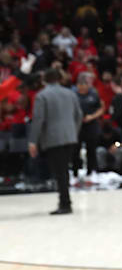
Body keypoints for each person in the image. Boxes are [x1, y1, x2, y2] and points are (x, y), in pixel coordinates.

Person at [27, 68, 82, 215]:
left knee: (60, 172)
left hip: (53, 138)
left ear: (45, 79)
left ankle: (65, 203)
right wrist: (73, 132)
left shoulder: (42, 96)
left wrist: (33, 141)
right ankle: (65, 201)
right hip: (70, 137)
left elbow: (38, 120)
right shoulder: (71, 93)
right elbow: (79, 115)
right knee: (64, 170)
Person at [73, 71, 104, 175]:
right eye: (80, 85)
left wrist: (92, 117)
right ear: (77, 86)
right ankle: (75, 172)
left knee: (91, 150)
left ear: (87, 86)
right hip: (77, 126)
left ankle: (91, 172)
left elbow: (101, 109)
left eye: (84, 85)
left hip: (91, 125)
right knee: (75, 150)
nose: (82, 88)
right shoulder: (73, 95)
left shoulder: (94, 94)